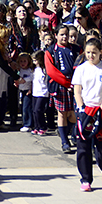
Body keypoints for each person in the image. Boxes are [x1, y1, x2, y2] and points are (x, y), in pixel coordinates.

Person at [72, 38, 102, 192]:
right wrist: (82, 107)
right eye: (88, 52)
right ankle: (85, 179)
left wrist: (100, 110)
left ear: (100, 52)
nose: (91, 55)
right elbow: (77, 90)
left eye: (94, 53)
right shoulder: (81, 69)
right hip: (85, 111)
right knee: (83, 147)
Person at [45, 25, 77, 154]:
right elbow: (51, 71)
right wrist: (66, 83)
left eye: (66, 34)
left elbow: (79, 65)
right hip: (60, 87)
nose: (64, 37)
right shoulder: (50, 51)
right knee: (62, 113)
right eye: (62, 34)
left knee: (73, 114)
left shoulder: (75, 49)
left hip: (74, 86)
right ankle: (64, 141)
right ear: (56, 35)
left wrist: (74, 83)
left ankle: (73, 135)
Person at [31, 51, 49, 136]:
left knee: (38, 110)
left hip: (43, 93)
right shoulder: (35, 69)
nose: (34, 62)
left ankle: (43, 127)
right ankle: (36, 126)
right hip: (35, 92)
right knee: (34, 111)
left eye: (35, 60)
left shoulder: (44, 70)